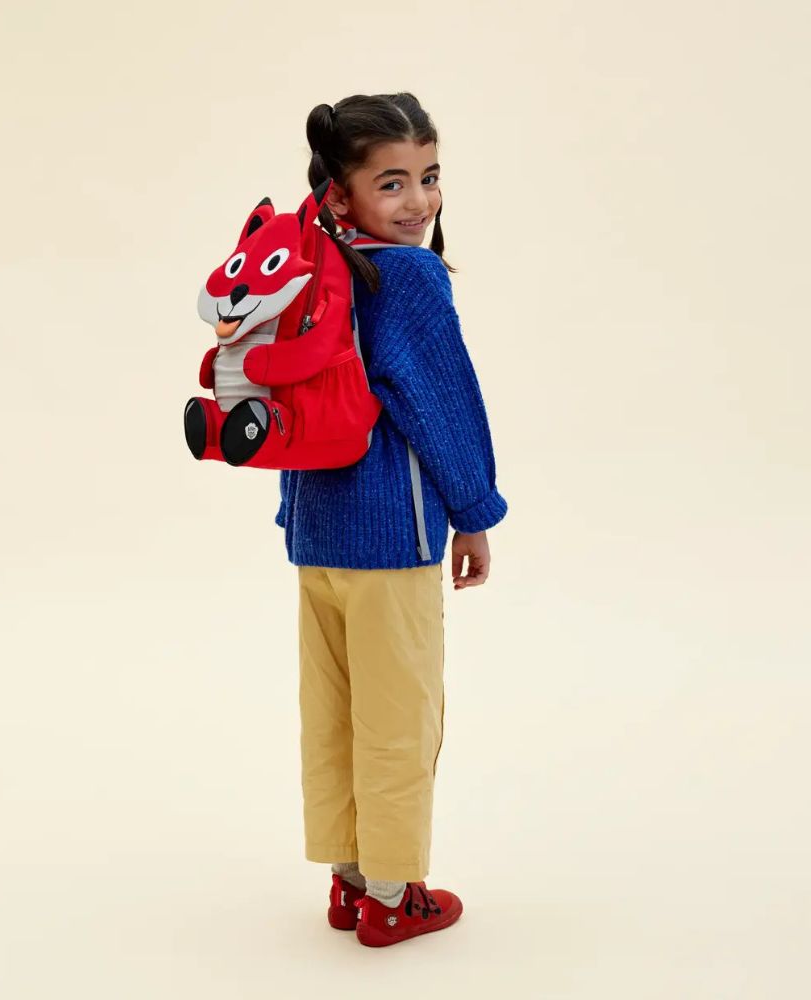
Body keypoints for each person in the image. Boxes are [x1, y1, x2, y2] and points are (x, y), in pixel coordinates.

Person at [274, 93, 509, 948]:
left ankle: (346, 881)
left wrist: (291, 513)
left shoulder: (311, 267)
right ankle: (391, 896)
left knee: (332, 713)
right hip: (391, 539)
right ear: (341, 193)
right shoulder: (408, 277)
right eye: (393, 182)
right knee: (397, 719)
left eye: (429, 177)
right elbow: (441, 405)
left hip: (315, 535)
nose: (419, 201)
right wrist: (474, 512)